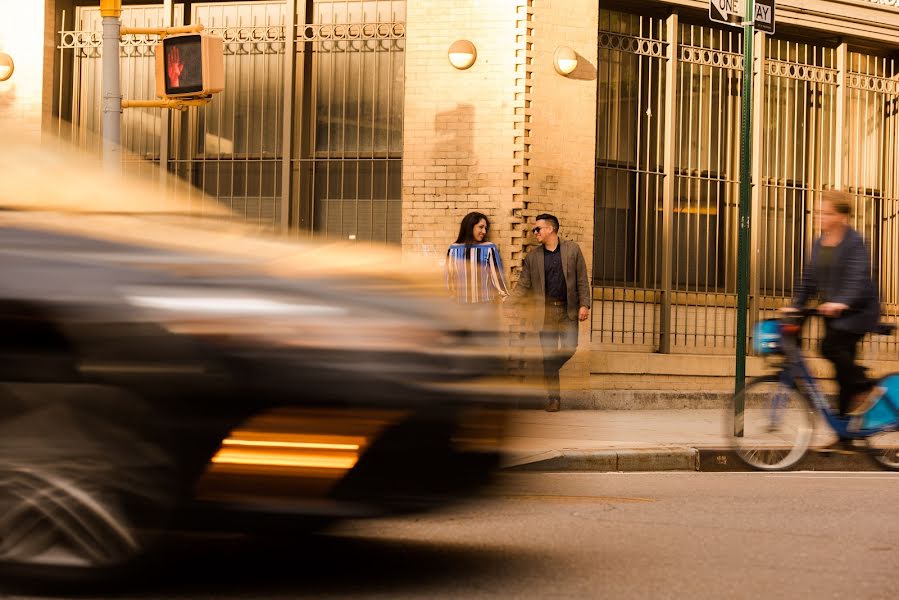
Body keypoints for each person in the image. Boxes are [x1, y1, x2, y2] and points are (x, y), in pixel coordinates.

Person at [784, 189, 881, 418]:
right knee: (841, 374)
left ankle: (865, 386)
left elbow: (857, 277)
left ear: (841, 217)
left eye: (825, 213)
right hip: (834, 314)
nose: (819, 217)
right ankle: (844, 434)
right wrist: (795, 305)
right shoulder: (819, 243)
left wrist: (842, 302)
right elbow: (809, 279)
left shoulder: (855, 242)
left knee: (830, 348)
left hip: (858, 312)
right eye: (817, 212)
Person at [509, 213, 590, 412]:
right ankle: (554, 398)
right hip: (544, 313)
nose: (534, 232)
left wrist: (584, 304)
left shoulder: (572, 250)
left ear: (550, 229)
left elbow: (582, 279)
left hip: (567, 310)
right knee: (548, 352)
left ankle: (550, 367)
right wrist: (508, 302)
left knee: (570, 347)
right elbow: (523, 285)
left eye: (538, 229)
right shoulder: (533, 257)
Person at [445, 212, 510, 304]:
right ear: (470, 227)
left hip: (484, 305)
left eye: (485, 228)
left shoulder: (489, 248)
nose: (484, 231)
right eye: (481, 227)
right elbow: (449, 279)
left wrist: (506, 299)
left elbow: (497, 278)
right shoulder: (453, 249)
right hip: (460, 306)